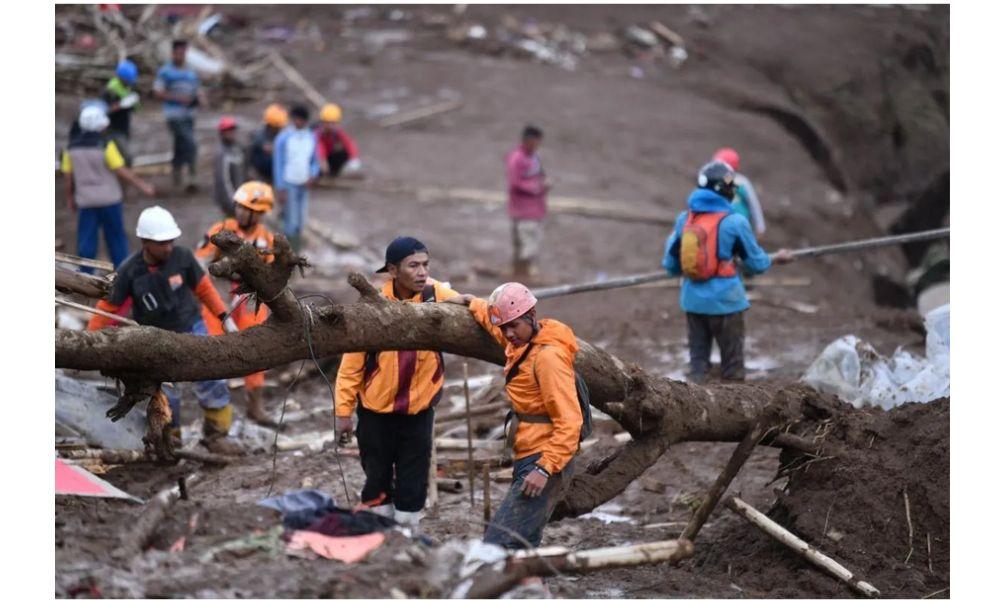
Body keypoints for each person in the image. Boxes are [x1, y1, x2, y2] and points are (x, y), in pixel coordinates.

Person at [86, 206, 244, 455]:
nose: (168, 247)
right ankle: (171, 440)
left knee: (214, 380)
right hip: (157, 340)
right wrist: (88, 343)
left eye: (170, 241)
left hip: (192, 328)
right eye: (161, 243)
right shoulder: (129, 271)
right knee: (168, 396)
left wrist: (224, 317)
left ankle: (217, 435)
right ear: (145, 242)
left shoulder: (182, 257)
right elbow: (108, 307)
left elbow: (204, 288)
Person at [333, 236, 460, 531]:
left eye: (425, 265)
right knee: (376, 476)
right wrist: (343, 413)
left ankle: (407, 535)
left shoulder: (435, 296)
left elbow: (470, 304)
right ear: (392, 270)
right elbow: (351, 368)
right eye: (413, 265)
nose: (422, 272)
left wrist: (476, 306)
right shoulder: (372, 308)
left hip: (418, 413)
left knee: (413, 479)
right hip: (375, 413)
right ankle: (379, 534)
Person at [446, 282, 582, 549]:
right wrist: (473, 302)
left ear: (532, 315)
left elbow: (570, 421)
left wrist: (543, 468)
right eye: (504, 328)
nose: (508, 334)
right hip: (528, 452)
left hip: (544, 458)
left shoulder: (548, 358)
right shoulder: (521, 345)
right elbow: (496, 326)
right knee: (523, 544)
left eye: (514, 326)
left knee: (498, 543)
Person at [662, 161, 794, 383]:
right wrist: (776, 258)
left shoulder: (684, 220)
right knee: (732, 369)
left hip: (693, 303)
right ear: (723, 190)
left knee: (698, 366)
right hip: (727, 303)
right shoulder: (735, 222)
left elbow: (671, 265)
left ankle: (694, 399)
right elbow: (757, 264)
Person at [196, 181, 278, 427]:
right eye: (239, 207)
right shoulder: (221, 230)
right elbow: (199, 262)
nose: (240, 212)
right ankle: (215, 411)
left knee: (257, 347)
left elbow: (272, 275)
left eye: (246, 208)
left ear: (259, 213)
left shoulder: (265, 239)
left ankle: (255, 405)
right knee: (214, 349)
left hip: (250, 298)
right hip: (219, 294)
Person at [61, 105, 155, 272]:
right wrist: (143, 186)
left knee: (86, 241)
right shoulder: (105, 145)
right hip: (110, 200)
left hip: (86, 201)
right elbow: (121, 170)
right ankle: (122, 273)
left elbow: (68, 178)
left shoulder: (71, 148)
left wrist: (70, 199)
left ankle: (86, 276)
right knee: (116, 239)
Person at [154, 39, 206, 192]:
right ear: (173, 53)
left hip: (189, 114)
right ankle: (192, 177)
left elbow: (197, 89)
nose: (180, 56)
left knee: (180, 144)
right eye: (178, 53)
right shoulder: (165, 71)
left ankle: (176, 173)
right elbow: (158, 92)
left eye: (183, 53)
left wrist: (200, 98)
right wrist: (177, 98)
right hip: (174, 115)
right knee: (191, 143)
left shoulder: (191, 70)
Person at [273, 104, 321, 252]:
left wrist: (313, 174)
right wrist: (280, 187)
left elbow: (314, 160)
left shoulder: (311, 137)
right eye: (296, 119)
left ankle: (297, 252)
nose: (298, 122)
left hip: (304, 184)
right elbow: (278, 163)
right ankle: (289, 253)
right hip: (289, 183)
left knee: (301, 219)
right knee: (291, 220)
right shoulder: (283, 138)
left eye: (301, 119)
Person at [505, 125, 550, 280]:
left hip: (535, 208)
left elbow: (540, 174)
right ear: (528, 140)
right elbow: (515, 182)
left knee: (529, 242)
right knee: (525, 243)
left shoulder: (534, 157)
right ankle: (522, 275)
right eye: (536, 141)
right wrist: (537, 188)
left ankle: (521, 274)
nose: (538, 145)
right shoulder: (517, 158)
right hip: (522, 209)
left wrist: (544, 183)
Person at [713, 147, 766, 236]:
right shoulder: (716, 184)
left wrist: (760, 226)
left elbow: (753, 204)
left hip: (741, 226)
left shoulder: (742, 182)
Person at [101, 59, 141, 166]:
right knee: (126, 158)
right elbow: (105, 110)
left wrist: (134, 103)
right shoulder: (111, 89)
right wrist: (121, 104)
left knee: (121, 157)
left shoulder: (128, 88)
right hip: (112, 129)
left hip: (124, 128)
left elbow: (135, 109)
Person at [315, 103, 362, 178]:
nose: (330, 126)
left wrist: (354, 158)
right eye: (327, 123)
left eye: (333, 123)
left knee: (342, 152)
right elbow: (319, 147)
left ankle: (333, 173)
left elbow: (348, 143)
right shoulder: (316, 133)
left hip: (328, 156)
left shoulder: (336, 132)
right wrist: (322, 160)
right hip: (316, 159)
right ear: (323, 122)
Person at [212, 116, 247, 216]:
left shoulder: (238, 148)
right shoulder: (222, 153)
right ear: (222, 133)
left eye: (233, 130)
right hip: (228, 203)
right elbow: (223, 181)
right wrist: (233, 203)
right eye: (228, 131)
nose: (232, 133)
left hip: (241, 198)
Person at [248, 103, 288, 184]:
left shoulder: (281, 135)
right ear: (271, 125)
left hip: (276, 175)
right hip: (260, 175)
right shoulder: (259, 136)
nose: (280, 129)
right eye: (278, 127)